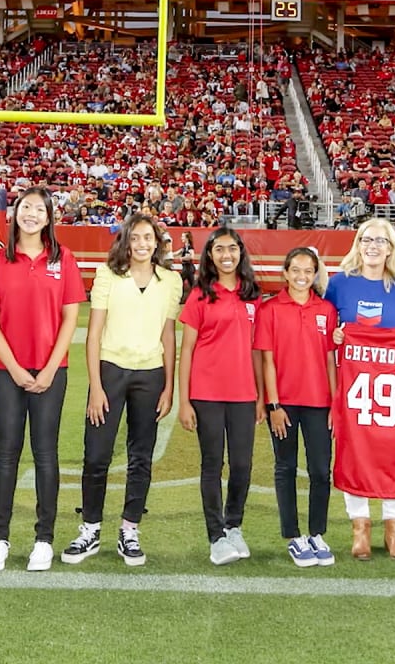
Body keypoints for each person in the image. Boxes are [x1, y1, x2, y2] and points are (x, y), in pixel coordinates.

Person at [0, 187, 86, 572]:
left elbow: (70, 318)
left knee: (45, 455)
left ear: (49, 217)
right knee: (6, 454)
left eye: (40, 209)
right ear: (15, 214)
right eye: (26, 207)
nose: (32, 214)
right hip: (8, 373)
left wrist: (51, 368)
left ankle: (44, 539)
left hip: (52, 372)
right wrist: (19, 369)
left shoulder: (64, 258)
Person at [61, 214, 180, 568]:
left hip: (151, 374)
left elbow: (168, 335)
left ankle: (130, 529)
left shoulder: (171, 281)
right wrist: (96, 386)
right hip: (111, 372)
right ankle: (91, 528)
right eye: (136, 237)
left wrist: (169, 386)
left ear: (157, 242)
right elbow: (94, 334)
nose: (143, 244)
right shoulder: (107, 275)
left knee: (140, 457)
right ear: (126, 241)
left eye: (149, 237)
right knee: (96, 454)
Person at [326, 217, 395, 560]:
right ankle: (359, 525)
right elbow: (327, 325)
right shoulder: (340, 284)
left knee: (394, 451)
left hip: (390, 390)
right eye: (367, 239)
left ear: (391, 248)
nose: (373, 246)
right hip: (354, 387)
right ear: (357, 243)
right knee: (355, 451)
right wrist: (335, 336)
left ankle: (394, 527)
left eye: (381, 240)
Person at [178, 226, 263, 566]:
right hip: (207, 392)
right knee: (213, 463)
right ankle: (216, 536)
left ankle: (234, 526)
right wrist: (184, 401)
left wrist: (261, 395)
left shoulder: (253, 295)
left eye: (232, 248)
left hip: (243, 393)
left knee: (242, 464)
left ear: (240, 253)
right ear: (210, 256)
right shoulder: (200, 295)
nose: (226, 255)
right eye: (219, 250)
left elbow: (258, 350)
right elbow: (187, 350)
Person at [256, 247, 338, 567]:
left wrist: (335, 404)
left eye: (309, 271)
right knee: (285, 468)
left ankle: (317, 533)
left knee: (320, 471)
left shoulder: (327, 310)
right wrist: (274, 404)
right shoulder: (270, 309)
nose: (302, 276)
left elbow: (331, 360)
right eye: (296, 270)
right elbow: (267, 360)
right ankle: (293, 536)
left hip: (320, 403)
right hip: (285, 404)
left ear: (315, 274)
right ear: (286, 273)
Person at [175, 231, 197, 303]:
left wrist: (183, 258)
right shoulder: (185, 247)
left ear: (187, 238)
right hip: (188, 268)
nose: (181, 238)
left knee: (180, 282)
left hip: (188, 269)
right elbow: (176, 253)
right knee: (193, 285)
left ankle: (181, 299)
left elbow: (192, 256)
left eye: (183, 236)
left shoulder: (189, 247)